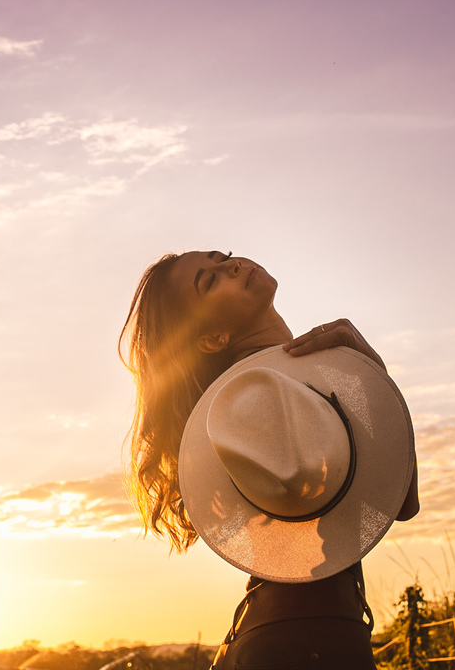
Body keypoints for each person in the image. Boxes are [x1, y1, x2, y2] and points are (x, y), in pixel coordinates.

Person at [119, 250, 419, 668]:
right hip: (310, 635)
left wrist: (371, 373)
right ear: (213, 338)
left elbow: (400, 503)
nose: (233, 264)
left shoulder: (300, 383)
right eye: (210, 280)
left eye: (222, 257)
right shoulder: (253, 402)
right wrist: (371, 374)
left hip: (298, 628)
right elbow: (402, 503)